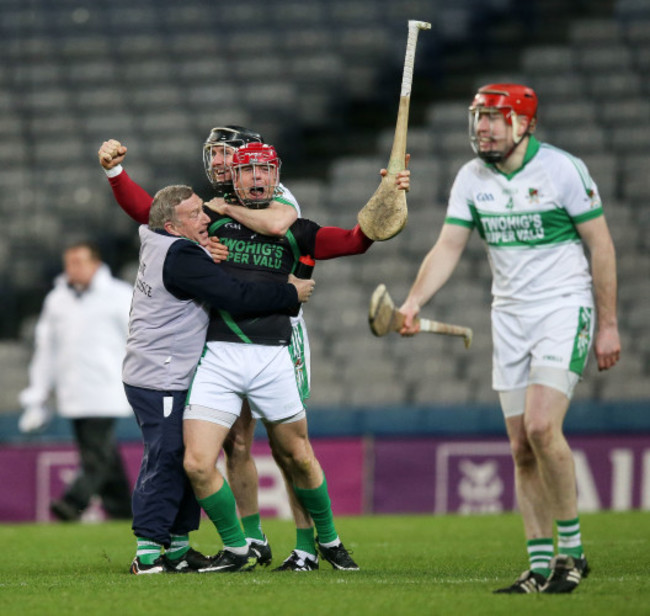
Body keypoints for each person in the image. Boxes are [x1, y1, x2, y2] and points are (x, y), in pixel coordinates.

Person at [398, 83, 620, 594]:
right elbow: (448, 246)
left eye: (495, 118)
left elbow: (601, 246)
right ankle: (539, 565)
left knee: (543, 428)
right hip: (509, 318)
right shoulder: (471, 178)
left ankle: (572, 554)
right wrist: (413, 302)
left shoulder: (563, 169)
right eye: (479, 117)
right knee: (521, 448)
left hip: (564, 310)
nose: (483, 127)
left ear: (524, 124)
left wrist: (607, 324)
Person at [182, 141, 409, 573]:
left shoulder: (295, 228)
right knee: (197, 462)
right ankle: (239, 549)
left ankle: (328, 541)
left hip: (272, 357)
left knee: (298, 456)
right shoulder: (207, 222)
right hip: (219, 355)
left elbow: (356, 241)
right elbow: (156, 227)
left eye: (264, 171)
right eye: (247, 171)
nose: (256, 179)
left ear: (276, 176)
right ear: (233, 175)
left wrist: (387, 197)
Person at [98, 127, 314, 571]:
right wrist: (118, 174)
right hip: (184, 359)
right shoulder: (186, 243)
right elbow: (153, 213)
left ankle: (308, 542)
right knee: (197, 451)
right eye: (212, 154)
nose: (217, 164)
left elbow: (276, 224)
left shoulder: (269, 192)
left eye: (227, 154)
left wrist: (218, 221)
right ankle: (217, 543)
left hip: (272, 337)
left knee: (284, 446)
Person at [18, 241, 134, 522]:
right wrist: (37, 396)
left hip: (108, 388)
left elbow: (138, 339)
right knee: (102, 452)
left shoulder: (119, 295)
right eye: (69, 263)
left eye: (79, 262)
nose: (73, 269)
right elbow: (47, 349)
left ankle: (73, 502)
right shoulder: (57, 300)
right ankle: (122, 511)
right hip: (73, 390)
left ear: (95, 263)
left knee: (96, 453)